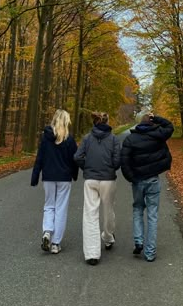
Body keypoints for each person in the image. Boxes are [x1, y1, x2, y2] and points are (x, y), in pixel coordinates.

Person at [120, 112, 174, 262]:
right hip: (153, 180)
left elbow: (124, 161)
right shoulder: (157, 135)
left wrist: (131, 178)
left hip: (138, 181)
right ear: (150, 122)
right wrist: (156, 117)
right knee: (152, 215)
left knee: (138, 208)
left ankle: (139, 241)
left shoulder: (130, 139)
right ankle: (150, 253)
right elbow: (169, 126)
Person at [74, 112, 121, 265]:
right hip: (108, 179)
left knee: (90, 214)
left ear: (94, 122)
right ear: (107, 123)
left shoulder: (87, 138)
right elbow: (117, 161)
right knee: (108, 210)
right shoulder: (113, 139)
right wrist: (110, 167)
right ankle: (108, 237)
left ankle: (92, 253)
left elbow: (77, 157)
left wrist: (87, 168)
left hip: (90, 180)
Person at [30, 109, 78, 254]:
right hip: (64, 178)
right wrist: (74, 174)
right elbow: (74, 160)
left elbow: (40, 158)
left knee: (49, 205)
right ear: (66, 121)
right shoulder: (69, 140)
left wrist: (35, 176)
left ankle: (47, 232)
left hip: (48, 176)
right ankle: (56, 243)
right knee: (61, 208)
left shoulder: (46, 138)